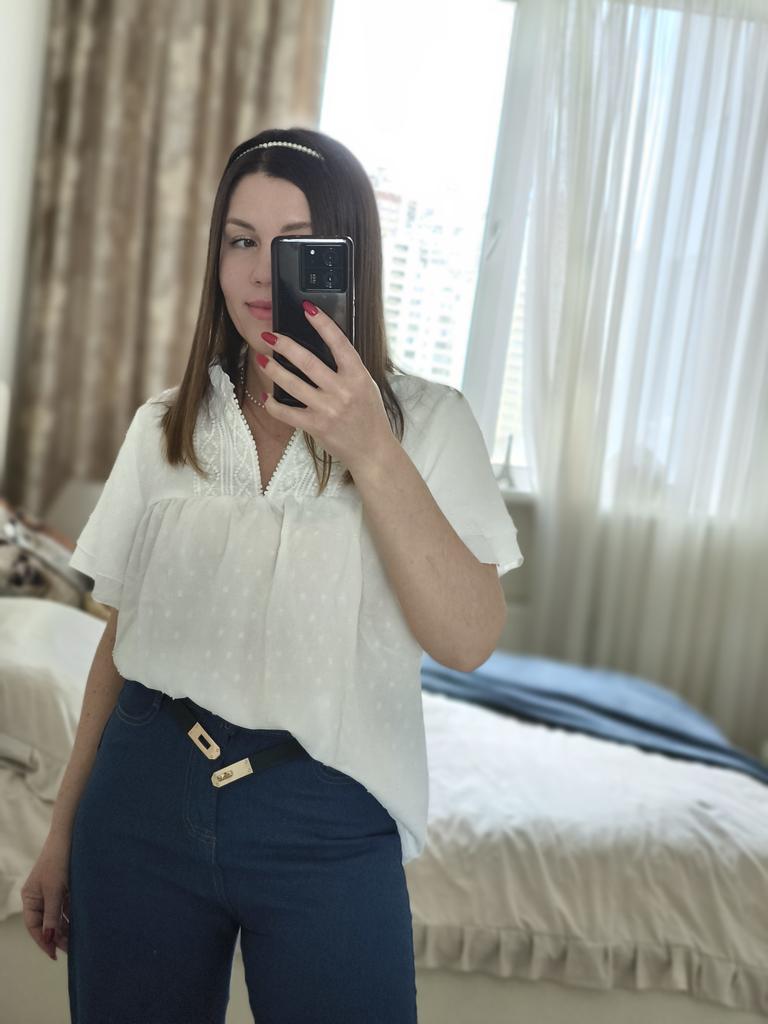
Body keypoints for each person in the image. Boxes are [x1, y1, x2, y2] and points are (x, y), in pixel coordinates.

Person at [21, 127, 524, 1022]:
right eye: (240, 240)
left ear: (347, 260)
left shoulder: (430, 425)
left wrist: (371, 447)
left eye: (295, 247)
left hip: (327, 813)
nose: (262, 275)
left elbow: (469, 639)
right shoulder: (165, 426)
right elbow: (120, 638)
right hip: (140, 796)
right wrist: (60, 829)